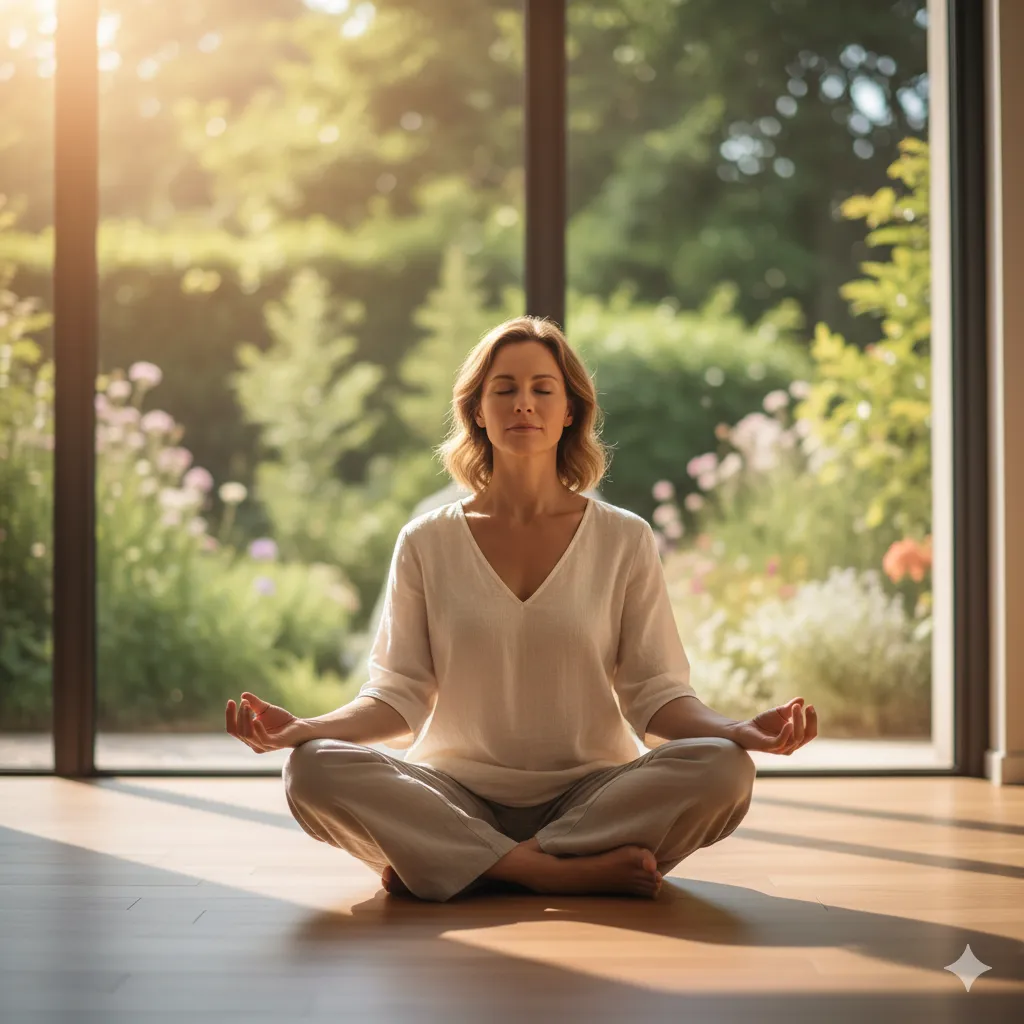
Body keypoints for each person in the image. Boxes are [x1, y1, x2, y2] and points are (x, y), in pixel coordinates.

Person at [225, 315, 819, 903]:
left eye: (542, 389)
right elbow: (398, 697)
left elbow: (654, 694)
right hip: (452, 791)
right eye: (504, 389)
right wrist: (308, 729)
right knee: (311, 769)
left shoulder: (624, 539)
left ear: (570, 412)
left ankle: (458, 863)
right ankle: (548, 870)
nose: (523, 405)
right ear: (478, 411)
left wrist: (735, 730)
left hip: (594, 795)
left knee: (726, 769)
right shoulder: (426, 541)